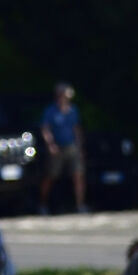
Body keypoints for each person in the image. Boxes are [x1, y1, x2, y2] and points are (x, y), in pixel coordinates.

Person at [39, 82, 87, 214]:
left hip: (71, 146)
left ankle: (80, 205)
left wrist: (80, 147)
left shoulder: (73, 110)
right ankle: (43, 204)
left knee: (78, 175)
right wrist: (50, 145)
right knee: (50, 176)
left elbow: (76, 129)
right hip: (57, 148)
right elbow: (45, 129)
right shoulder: (50, 111)